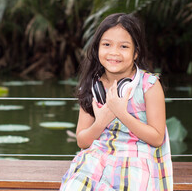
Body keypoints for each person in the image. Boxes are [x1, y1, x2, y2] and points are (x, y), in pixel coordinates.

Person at [60, 13, 173, 190]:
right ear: (97, 48)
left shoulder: (148, 86)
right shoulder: (92, 86)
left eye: (123, 46)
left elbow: (157, 138)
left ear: (136, 53)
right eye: (106, 45)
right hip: (98, 156)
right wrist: (102, 121)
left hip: (137, 157)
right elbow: (82, 141)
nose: (114, 52)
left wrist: (120, 113)